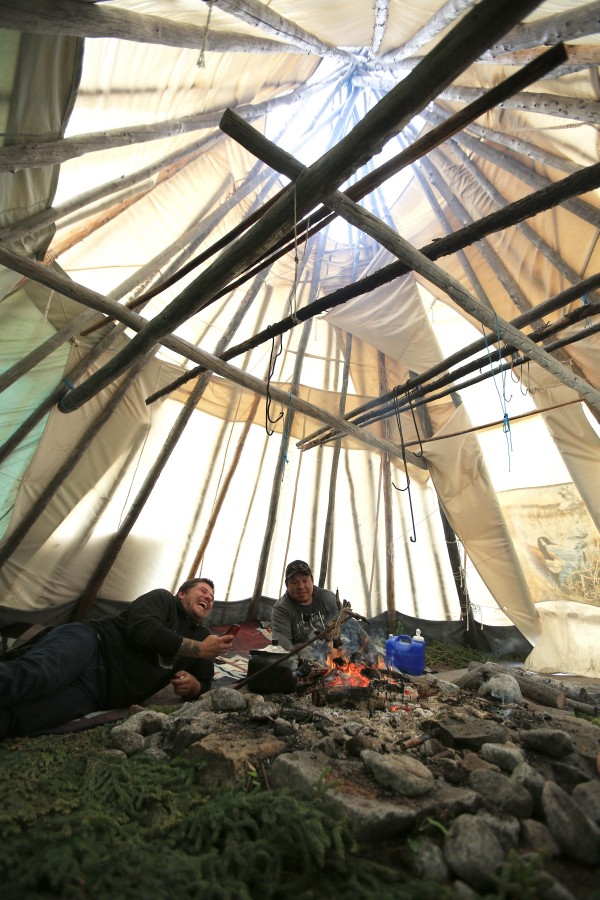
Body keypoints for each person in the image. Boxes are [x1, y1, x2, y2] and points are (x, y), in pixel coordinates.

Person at [0, 577, 233, 739]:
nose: (208, 598)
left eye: (212, 597)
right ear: (182, 593)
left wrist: (194, 687)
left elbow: (205, 684)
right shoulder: (163, 600)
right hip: (93, 643)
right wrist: (199, 649)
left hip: (99, 692)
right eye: (203, 591)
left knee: (28, 717)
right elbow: (142, 629)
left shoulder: (204, 637)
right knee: (38, 675)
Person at [271, 560, 339, 650]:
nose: (301, 586)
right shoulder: (281, 609)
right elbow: (283, 647)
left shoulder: (327, 597)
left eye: (305, 581)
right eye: (295, 582)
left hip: (335, 651)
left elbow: (346, 624)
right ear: (287, 584)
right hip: (305, 658)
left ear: (312, 580)